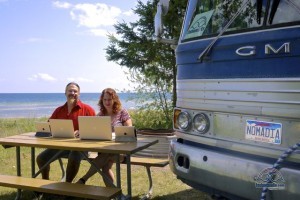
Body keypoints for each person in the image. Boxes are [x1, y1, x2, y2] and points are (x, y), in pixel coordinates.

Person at [36, 82, 96, 183]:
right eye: (70, 90)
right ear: (65, 93)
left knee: (74, 156)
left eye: (75, 91)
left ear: (79, 94)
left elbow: (96, 128)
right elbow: (49, 126)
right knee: (41, 158)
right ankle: (45, 183)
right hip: (60, 146)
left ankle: (67, 186)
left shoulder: (88, 109)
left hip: (81, 148)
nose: (72, 93)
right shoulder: (59, 110)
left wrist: (82, 131)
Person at [76, 87, 132, 186]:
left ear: (115, 99)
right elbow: (93, 131)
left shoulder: (122, 112)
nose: (107, 102)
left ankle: (83, 179)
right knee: (105, 167)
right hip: (105, 150)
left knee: (106, 157)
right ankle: (115, 194)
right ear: (102, 100)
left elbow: (129, 131)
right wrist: (82, 132)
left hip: (122, 151)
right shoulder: (100, 116)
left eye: (109, 99)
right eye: (105, 99)